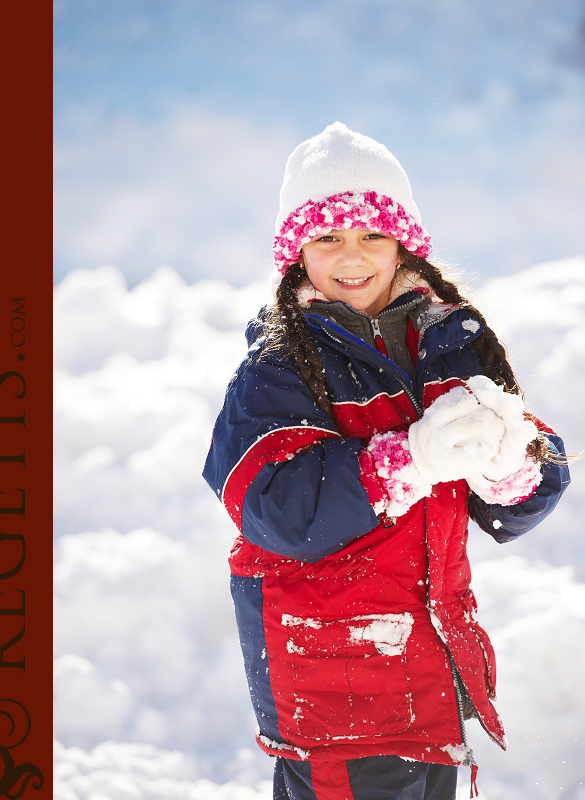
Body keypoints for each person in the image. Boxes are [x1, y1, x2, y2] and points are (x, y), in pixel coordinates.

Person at [202, 122, 570, 800]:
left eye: (371, 234)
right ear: (296, 253)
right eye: (328, 238)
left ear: (402, 243)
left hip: (431, 675)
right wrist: (409, 461)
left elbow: (538, 471)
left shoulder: (448, 339)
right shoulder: (280, 367)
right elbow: (274, 508)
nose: (352, 255)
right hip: (336, 686)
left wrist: (508, 465)